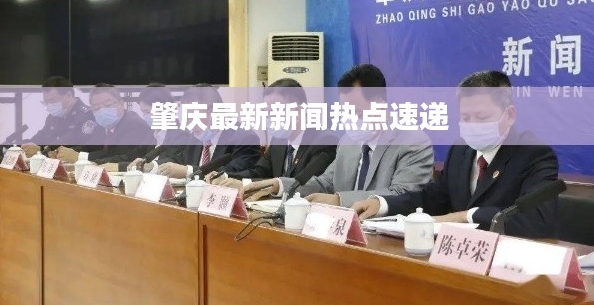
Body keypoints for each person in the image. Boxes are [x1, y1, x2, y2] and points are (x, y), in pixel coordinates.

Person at [352, 70, 559, 238]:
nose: (472, 125)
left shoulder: (534, 154)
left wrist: (464, 216)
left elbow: (537, 219)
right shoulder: (461, 150)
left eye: (482, 117)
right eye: (465, 118)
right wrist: (382, 204)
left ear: (510, 115)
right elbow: (432, 199)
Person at [237, 64, 434, 208]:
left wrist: (340, 200)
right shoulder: (348, 142)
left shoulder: (413, 142)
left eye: (356, 112)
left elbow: (402, 194)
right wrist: (279, 185)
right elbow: (326, 182)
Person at [208, 78, 337, 199]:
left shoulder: (324, 142)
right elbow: (259, 172)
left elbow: (303, 185)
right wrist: (226, 177)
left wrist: (245, 185)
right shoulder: (279, 140)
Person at [156, 84, 261, 178]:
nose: (189, 124)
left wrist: (188, 171)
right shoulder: (196, 137)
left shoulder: (244, 138)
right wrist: (154, 166)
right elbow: (179, 160)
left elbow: (232, 172)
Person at [55, 84, 155, 165]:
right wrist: (65, 152)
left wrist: (79, 157)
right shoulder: (103, 124)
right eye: (96, 108)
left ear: (121, 103)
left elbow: (118, 155)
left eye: (107, 105)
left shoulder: (134, 124)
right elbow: (91, 146)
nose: (102, 111)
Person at [22, 76, 104, 158]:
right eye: (46, 103)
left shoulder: (87, 115)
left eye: (52, 101)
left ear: (68, 95)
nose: (49, 106)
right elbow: (42, 136)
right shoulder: (53, 117)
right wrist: (28, 146)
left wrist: (41, 150)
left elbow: (80, 146)